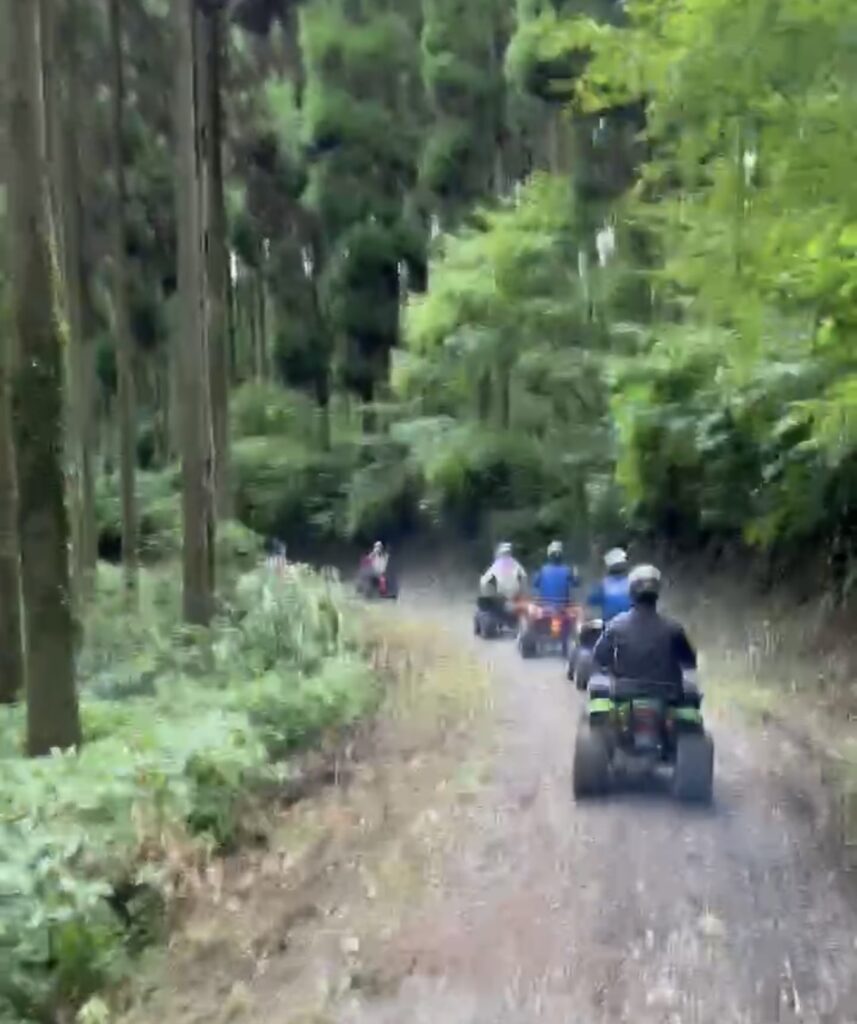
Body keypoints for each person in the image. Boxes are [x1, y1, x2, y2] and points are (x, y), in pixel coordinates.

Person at [592, 564, 698, 698]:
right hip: (666, 697)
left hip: (624, 695)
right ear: (657, 593)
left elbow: (599, 657)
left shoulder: (615, 626)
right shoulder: (674, 628)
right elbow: (689, 662)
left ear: (631, 592)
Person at [586, 547, 632, 623]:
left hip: (610, 625)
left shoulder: (603, 584)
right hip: (629, 625)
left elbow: (591, 600)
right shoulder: (632, 582)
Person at [532, 540, 579, 607]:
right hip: (563, 607)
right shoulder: (567, 570)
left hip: (546, 608)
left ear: (549, 555)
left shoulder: (542, 570)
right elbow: (576, 584)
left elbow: (535, 584)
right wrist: (576, 574)